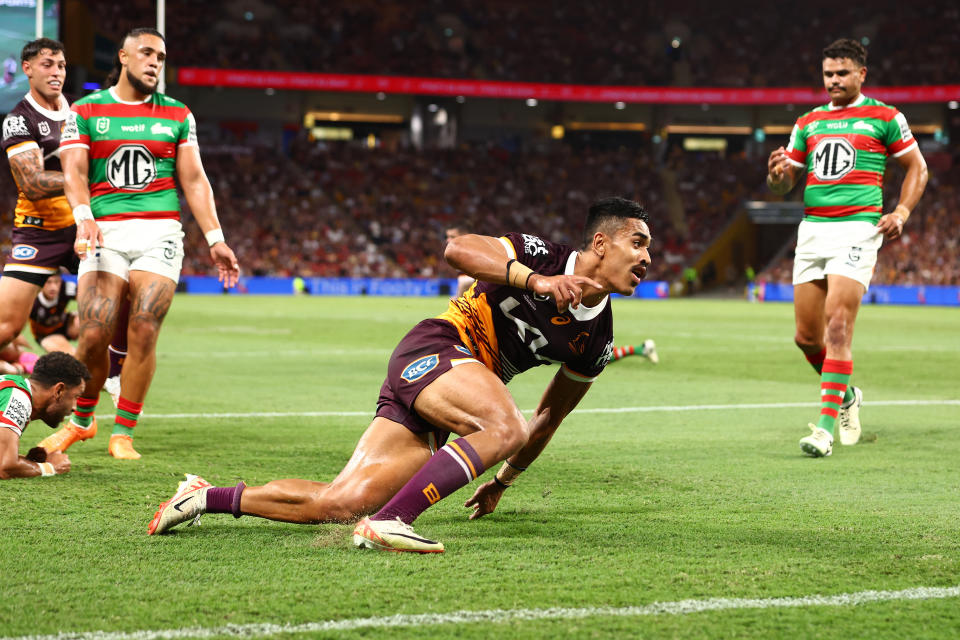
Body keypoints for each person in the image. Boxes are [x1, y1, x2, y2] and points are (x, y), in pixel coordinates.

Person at [148, 197, 653, 553]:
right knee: (503, 425)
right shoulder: (540, 253)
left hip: (455, 390)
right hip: (437, 348)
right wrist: (534, 279)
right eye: (638, 243)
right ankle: (393, 522)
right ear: (600, 242)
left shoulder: (597, 340)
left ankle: (201, 496)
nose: (647, 258)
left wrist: (503, 479)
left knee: (343, 501)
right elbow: (457, 250)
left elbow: (549, 416)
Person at [38, 27, 240, 460]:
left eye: (161, 57)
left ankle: (124, 431)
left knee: (144, 327)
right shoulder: (87, 109)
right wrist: (84, 218)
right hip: (104, 231)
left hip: (159, 232)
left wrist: (216, 238)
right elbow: (73, 172)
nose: (154, 62)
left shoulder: (178, 114)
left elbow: (193, 180)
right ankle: (84, 421)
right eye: (146, 53)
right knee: (93, 332)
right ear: (124, 57)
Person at [766, 38, 927, 458]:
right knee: (806, 338)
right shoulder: (808, 122)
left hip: (858, 228)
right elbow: (786, 184)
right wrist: (777, 176)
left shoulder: (886, 117)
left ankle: (822, 429)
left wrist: (903, 212)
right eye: (828, 74)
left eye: (842, 73)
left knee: (838, 327)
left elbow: (917, 167)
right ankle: (847, 394)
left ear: (861, 74)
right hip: (813, 230)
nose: (834, 80)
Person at [0, 351, 89, 479]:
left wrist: (29, 462)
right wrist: (51, 467)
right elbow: (4, 467)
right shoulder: (18, 397)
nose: (75, 407)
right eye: (76, 396)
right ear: (59, 391)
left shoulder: (12, 389)